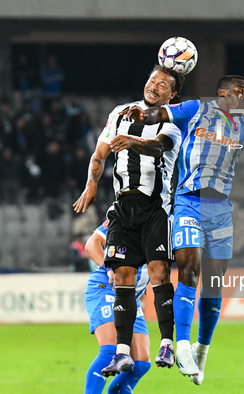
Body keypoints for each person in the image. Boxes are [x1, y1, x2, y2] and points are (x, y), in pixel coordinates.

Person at [123, 75, 244, 383]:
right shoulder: (196, 110)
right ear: (223, 92)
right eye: (240, 92)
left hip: (221, 210)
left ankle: (202, 349)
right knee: (188, 269)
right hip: (188, 202)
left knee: (213, 283)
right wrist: (142, 115)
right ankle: (182, 345)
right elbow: (161, 113)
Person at [73, 65, 184, 375]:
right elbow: (100, 153)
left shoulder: (173, 120)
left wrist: (132, 142)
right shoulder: (120, 113)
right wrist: (91, 184)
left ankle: (168, 344)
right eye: (152, 79)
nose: (155, 86)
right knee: (122, 275)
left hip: (155, 207)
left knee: (159, 270)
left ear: (172, 94)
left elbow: (159, 146)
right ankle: (121, 352)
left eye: (163, 84)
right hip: (122, 206)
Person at [84, 220, 151, 394]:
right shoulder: (125, 211)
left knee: (141, 363)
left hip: (130, 296)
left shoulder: (166, 222)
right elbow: (92, 244)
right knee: (111, 351)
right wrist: (109, 268)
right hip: (105, 286)